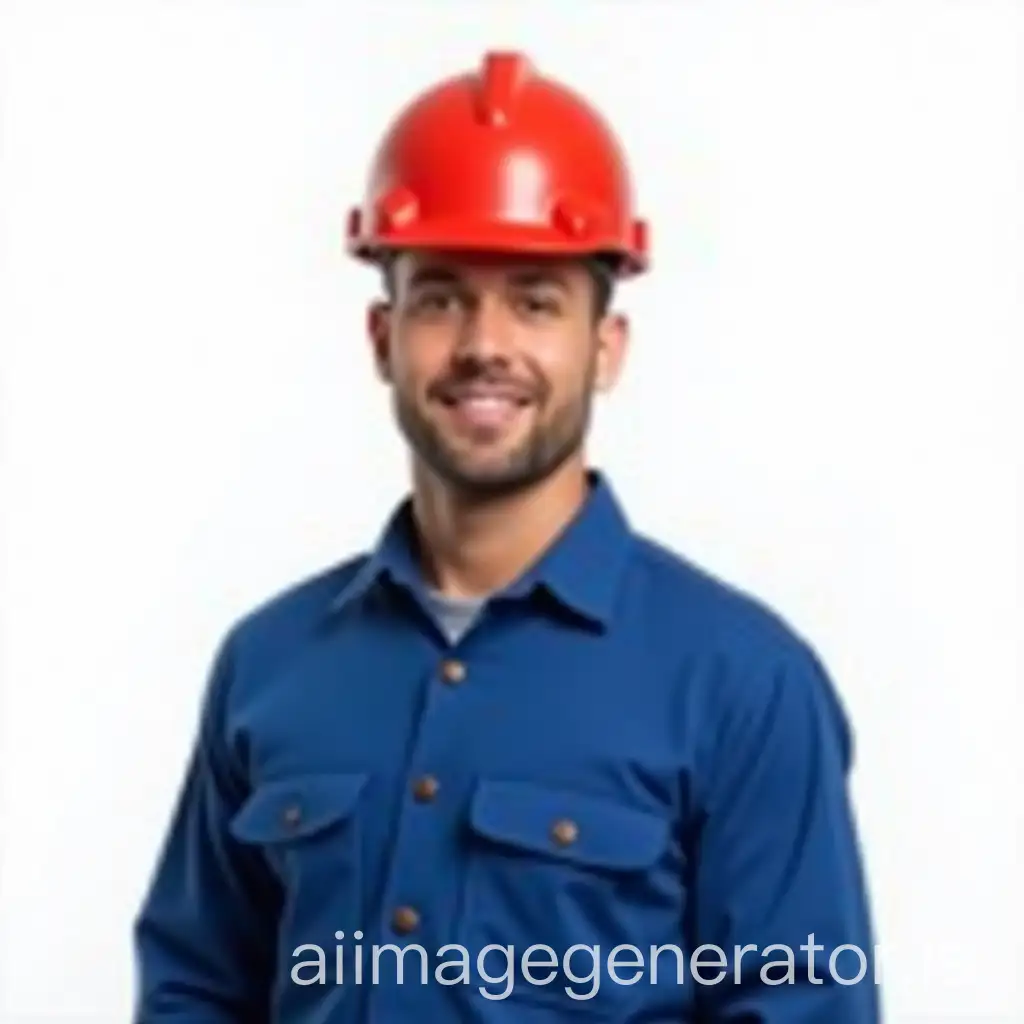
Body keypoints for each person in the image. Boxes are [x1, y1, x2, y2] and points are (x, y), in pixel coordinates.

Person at [133, 50, 880, 1023]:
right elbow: (196, 986)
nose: (485, 343)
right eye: (440, 296)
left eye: (535, 300)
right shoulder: (268, 663)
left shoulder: (742, 683)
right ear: (382, 338)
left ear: (602, 348)